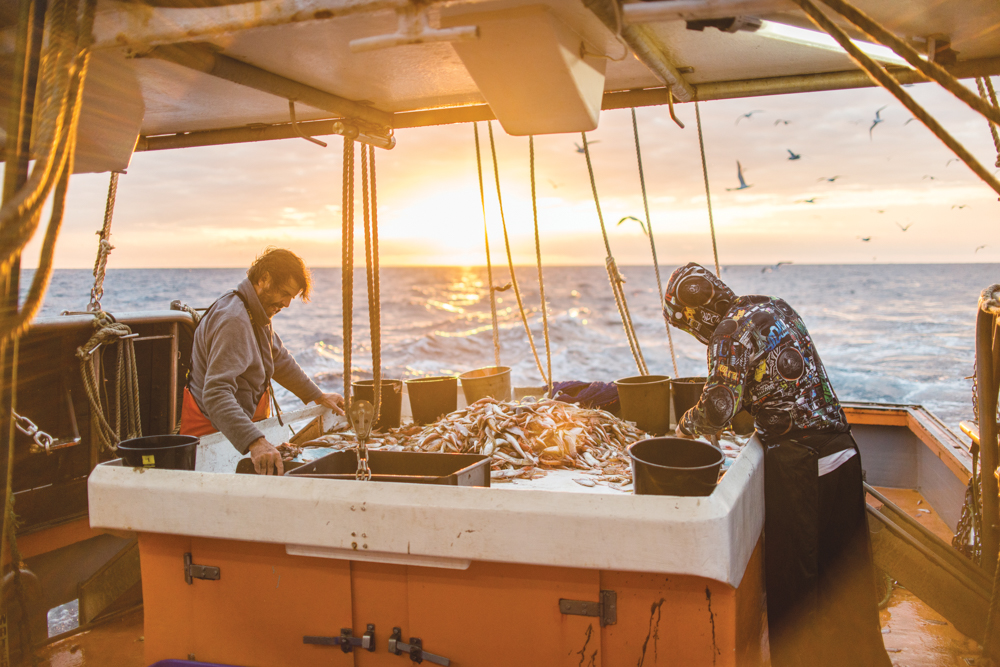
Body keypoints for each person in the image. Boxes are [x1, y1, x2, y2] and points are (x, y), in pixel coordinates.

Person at [662, 262, 890, 667]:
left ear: (697, 311)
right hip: (843, 452)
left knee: (796, 591)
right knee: (848, 587)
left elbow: (717, 408)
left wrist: (682, 428)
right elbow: (784, 383)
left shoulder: (727, 332)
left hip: (803, 464)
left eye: (689, 324)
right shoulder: (774, 307)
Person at [181, 248, 344, 475]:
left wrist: (317, 395)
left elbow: (278, 358)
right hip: (212, 437)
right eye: (284, 293)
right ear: (264, 278)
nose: (286, 304)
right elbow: (216, 393)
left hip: (236, 431)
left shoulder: (255, 311)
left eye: (291, 297)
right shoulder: (234, 320)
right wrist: (255, 442)